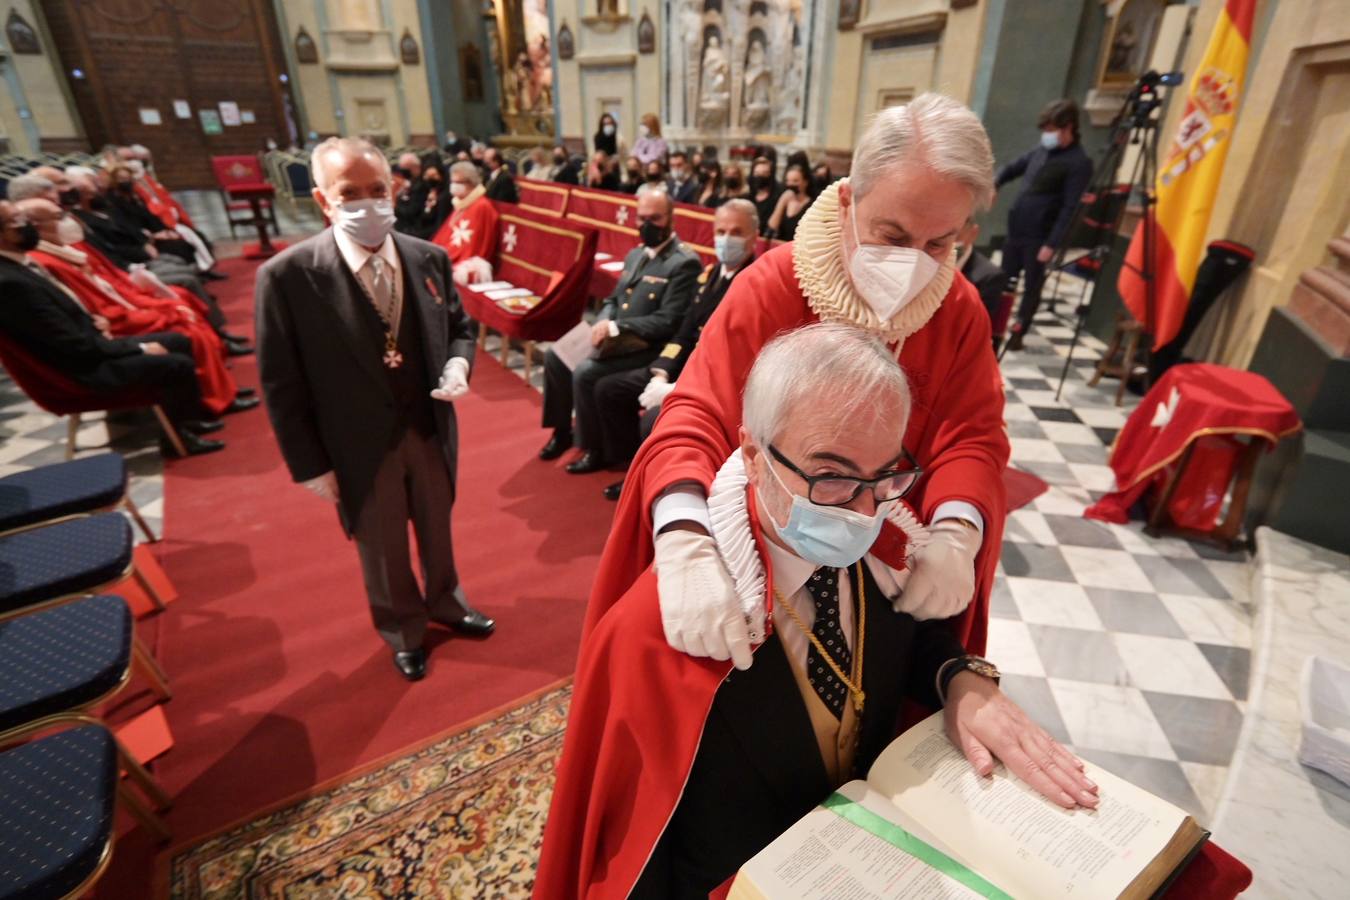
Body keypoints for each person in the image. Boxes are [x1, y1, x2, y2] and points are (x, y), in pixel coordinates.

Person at [534, 324, 1096, 898]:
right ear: (753, 456)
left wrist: (960, 678)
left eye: (884, 476)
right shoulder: (661, 625)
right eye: (831, 476)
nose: (861, 510)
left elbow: (906, 642)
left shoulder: (878, 553)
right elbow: (633, 851)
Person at [585, 92, 1010, 678]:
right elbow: (695, 417)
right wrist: (684, 535)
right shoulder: (774, 285)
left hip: (886, 562)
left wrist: (959, 531)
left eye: (939, 244)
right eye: (891, 234)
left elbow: (974, 435)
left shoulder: (958, 308)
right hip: (768, 555)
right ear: (845, 202)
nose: (914, 262)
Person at [255, 137, 494, 682]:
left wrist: (459, 365)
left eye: (377, 190)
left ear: (395, 189)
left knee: (438, 528)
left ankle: (447, 602)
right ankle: (403, 627)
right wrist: (311, 464)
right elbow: (281, 382)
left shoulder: (427, 256)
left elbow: (457, 329)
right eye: (350, 193)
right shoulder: (289, 276)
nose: (367, 203)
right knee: (383, 546)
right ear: (323, 200)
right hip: (357, 441)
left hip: (427, 426)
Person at [0, 199, 225, 456]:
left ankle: (190, 419)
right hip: (81, 371)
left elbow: (60, 318)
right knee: (175, 363)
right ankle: (178, 439)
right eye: (16, 221)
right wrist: (138, 347)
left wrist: (93, 321)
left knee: (178, 341)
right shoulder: (9, 283)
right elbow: (71, 344)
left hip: (87, 346)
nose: (26, 226)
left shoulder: (17, 265)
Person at [595, 199, 759, 501]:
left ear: (753, 236)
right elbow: (684, 331)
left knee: (652, 418)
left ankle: (654, 483)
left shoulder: (754, 282)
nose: (726, 239)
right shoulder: (708, 276)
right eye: (721, 231)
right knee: (609, 390)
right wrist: (660, 371)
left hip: (711, 379)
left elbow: (731, 354)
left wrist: (675, 388)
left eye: (736, 232)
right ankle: (630, 467)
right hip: (680, 367)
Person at [538, 184, 701, 474]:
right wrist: (603, 320)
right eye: (641, 218)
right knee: (555, 357)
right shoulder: (635, 255)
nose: (646, 225)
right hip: (614, 338)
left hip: (646, 348)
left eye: (655, 218)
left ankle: (595, 448)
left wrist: (616, 326)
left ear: (671, 218)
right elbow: (614, 299)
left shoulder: (684, 262)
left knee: (586, 372)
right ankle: (562, 431)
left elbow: (670, 320)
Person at [996, 98, 1093, 351]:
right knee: (1004, 281)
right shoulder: (1042, 151)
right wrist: (995, 182)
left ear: (1068, 127)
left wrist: (1052, 243)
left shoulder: (1078, 162)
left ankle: (1019, 331)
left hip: (1040, 237)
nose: (1046, 135)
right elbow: (1013, 167)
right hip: (1017, 230)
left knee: (1031, 287)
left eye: (1051, 130)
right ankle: (996, 327)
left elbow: (1071, 208)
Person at [432, 160, 500, 285]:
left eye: (458, 182)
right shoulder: (462, 203)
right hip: (450, 253)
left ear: (471, 182)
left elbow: (477, 243)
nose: (453, 186)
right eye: (452, 182)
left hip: (466, 259)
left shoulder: (481, 206)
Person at [954, 219, 1009, 351]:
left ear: (973, 233)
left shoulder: (990, 276)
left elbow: (976, 329)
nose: (949, 243)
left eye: (955, 236)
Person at [395, 153, 451, 241]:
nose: (429, 179)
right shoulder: (429, 190)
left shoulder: (444, 197)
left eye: (433, 176)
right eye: (427, 176)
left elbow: (440, 225)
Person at [766, 163, 812, 241]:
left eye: (795, 181)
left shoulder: (811, 205)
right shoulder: (783, 199)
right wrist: (782, 202)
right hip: (779, 247)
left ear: (805, 182)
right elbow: (772, 226)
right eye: (788, 181)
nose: (790, 184)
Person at [748, 156, 780, 233]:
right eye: (757, 173)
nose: (760, 176)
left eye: (764, 173)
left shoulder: (777, 199)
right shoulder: (747, 197)